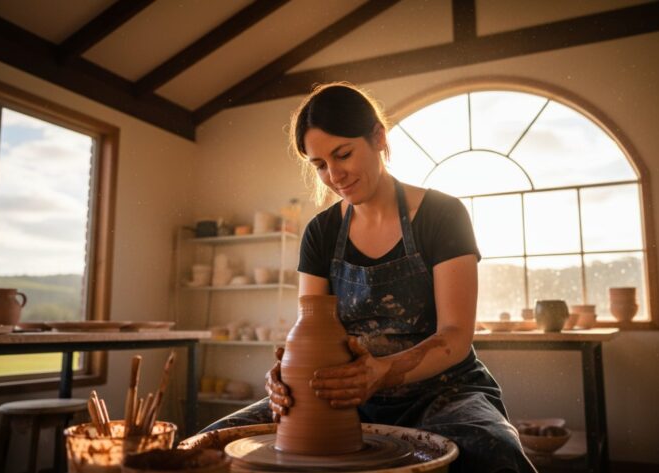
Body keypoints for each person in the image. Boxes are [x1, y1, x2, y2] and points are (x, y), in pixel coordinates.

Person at [200, 83, 536, 473]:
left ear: (378, 137)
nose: (334, 175)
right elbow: (310, 328)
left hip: (444, 390)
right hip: (347, 394)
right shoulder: (321, 233)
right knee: (217, 445)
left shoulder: (443, 214)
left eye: (343, 154)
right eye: (320, 165)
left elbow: (457, 336)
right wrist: (282, 377)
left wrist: (384, 371)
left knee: (493, 450)